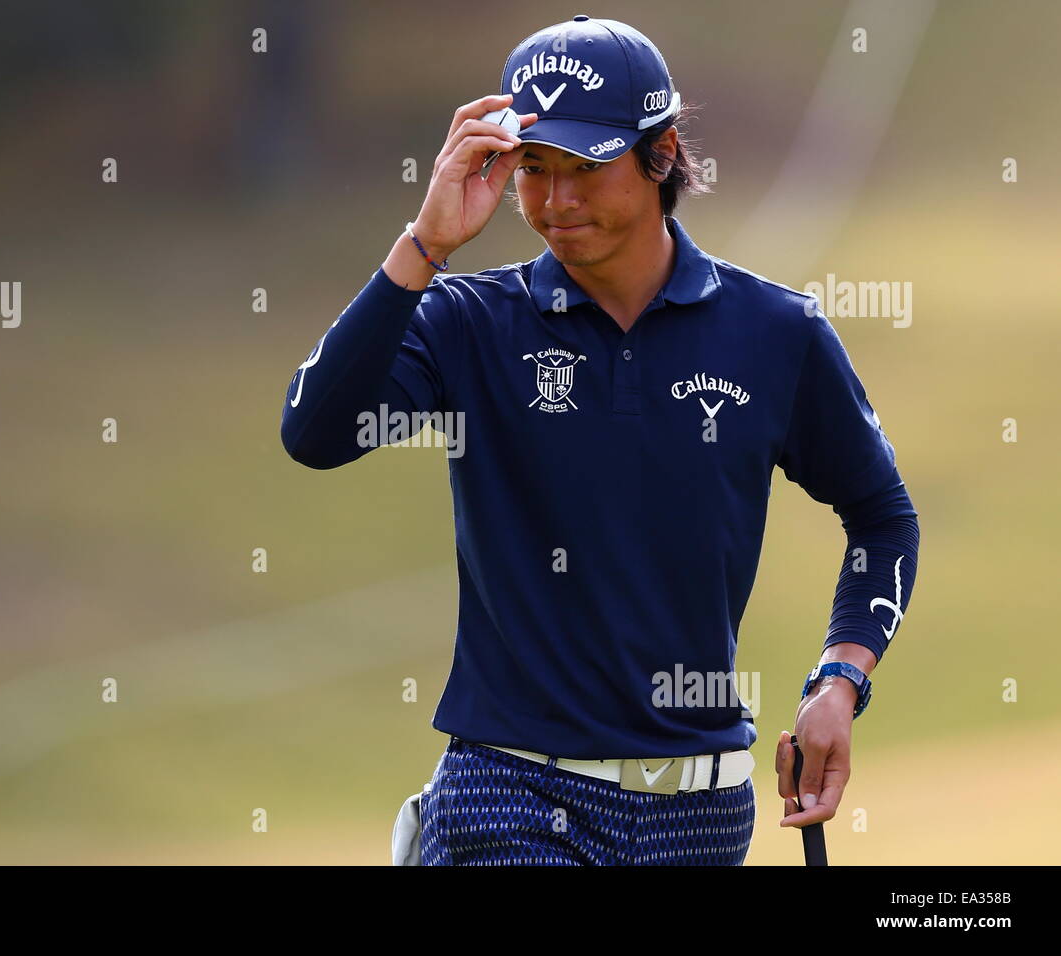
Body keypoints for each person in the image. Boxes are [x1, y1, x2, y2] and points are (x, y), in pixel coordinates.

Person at [281, 16, 919, 865]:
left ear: (660, 157)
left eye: (584, 168)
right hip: (508, 790)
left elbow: (881, 517)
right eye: (531, 170)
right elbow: (315, 432)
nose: (555, 201)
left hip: (701, 813)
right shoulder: (468, 321)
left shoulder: (776, 333)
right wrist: (425, 245)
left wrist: (840, 682)